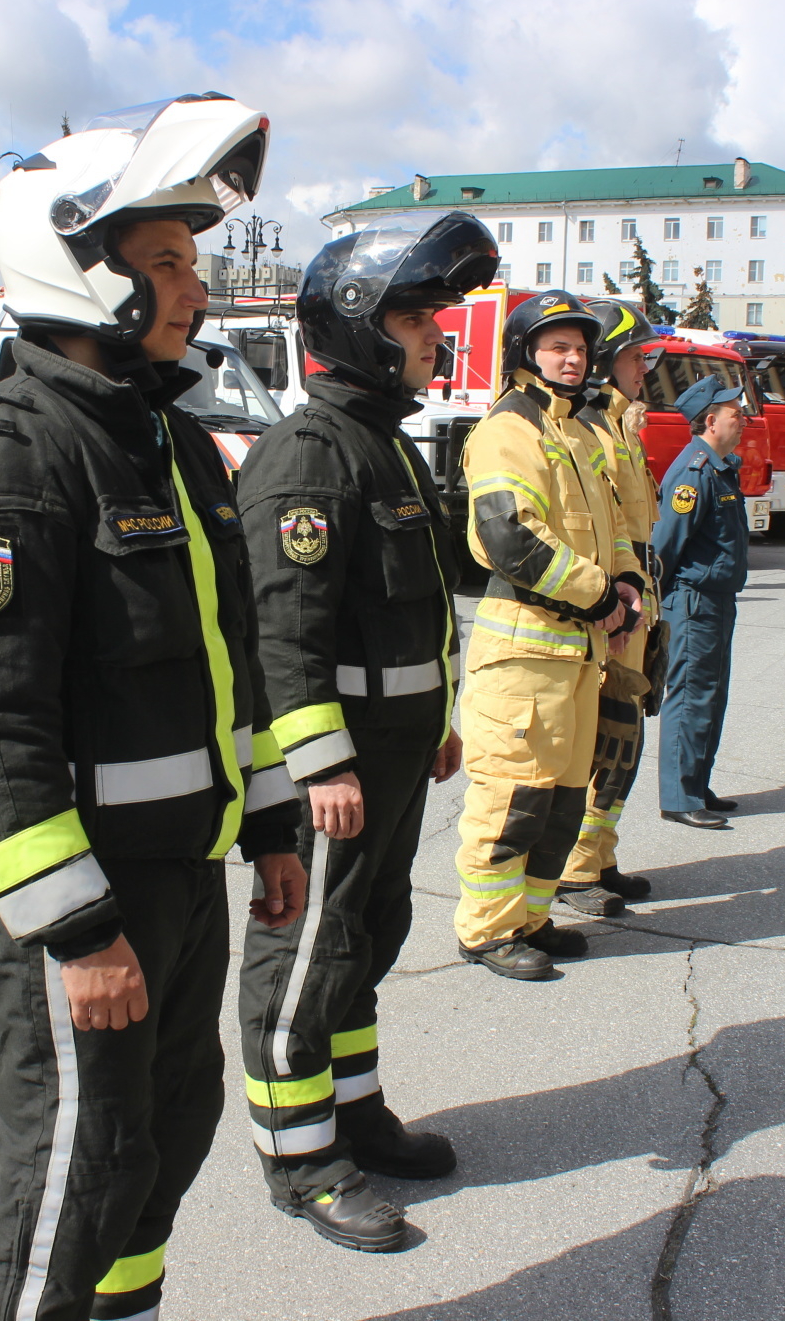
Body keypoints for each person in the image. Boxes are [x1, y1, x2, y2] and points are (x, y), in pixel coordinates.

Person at [0, 95, 307, 1321]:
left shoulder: (171, 447)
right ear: (80, 266)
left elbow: (236, 663)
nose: (195, 286)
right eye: (167, 260)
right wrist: (74, 928)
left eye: (191, 258)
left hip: (181, 882)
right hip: (89, 904)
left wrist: (271, 827)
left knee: (158, 1145)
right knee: (69, 1172)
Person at [232, 210, 494, 1251]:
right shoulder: (308, 454)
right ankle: (301, 1161)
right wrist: (320, 758)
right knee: (304, 955)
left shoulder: (380, 446)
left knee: (363, 941)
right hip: (330, 773)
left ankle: (355, 1114)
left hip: (391, 756)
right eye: (416, 313)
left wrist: (434, 714)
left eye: (434, 313)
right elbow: (280, 632)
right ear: (356, 325)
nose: (435, 331)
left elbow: (413, 607)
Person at [453, 291, 646, 980]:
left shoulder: (577, 430)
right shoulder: (511, 428)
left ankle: (531, 917)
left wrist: (627, 580)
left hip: (576, 654)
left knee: (561, 803)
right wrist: (599, 592)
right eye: (556, 345)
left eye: (579, 346)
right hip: (525, 652)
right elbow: (507, 535)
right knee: (513, 798)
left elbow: (615, 524)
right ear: (525, 353)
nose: (572, 358)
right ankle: (486, 929)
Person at [557, 298, 665, 917]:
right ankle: (574, 869)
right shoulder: (594, 428)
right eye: (633, 357)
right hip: (611, 618)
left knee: (626, 741)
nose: (642, 368)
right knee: (603, 743)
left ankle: (600, 855)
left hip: (636, 612)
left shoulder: (622, 425)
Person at [652, 373, 751, 825]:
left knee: (711, 697)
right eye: (736, 414)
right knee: (691, 696)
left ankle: (697, 783)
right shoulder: (693, 472)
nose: (743, 420)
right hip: (692, 602)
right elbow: (665, 547)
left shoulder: (720, 467)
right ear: (710, 421)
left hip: (716, 601)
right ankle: (679, 798)